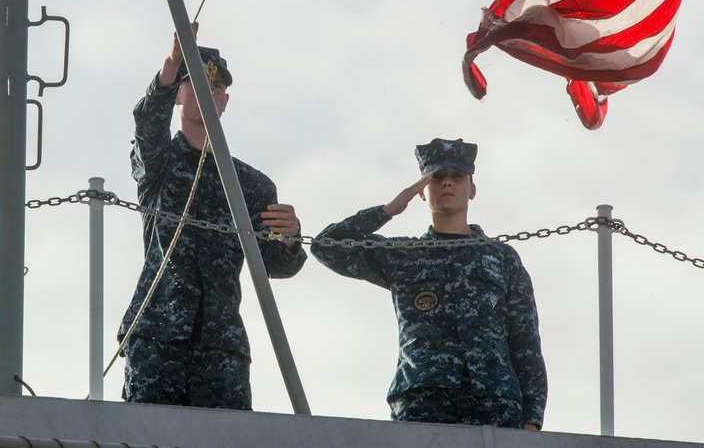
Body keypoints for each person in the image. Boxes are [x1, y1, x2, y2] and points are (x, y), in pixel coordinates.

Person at [118, 25, 307, 410]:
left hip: (221, 346)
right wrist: (171, 63)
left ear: (225, 101)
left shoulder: (252, 184)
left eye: (216, 87)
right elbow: (147, 125)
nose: (208, 92)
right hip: (158, 335)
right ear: (177, 94)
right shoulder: (159, 164)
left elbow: (273, 266)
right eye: (196, 82)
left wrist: (289, 238)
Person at [311, 138, 547, 429]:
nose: (447, 184)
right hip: (422, 400)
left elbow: (525, 341)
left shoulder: (501, 258)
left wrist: (533, 418)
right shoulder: (403, 255)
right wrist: (387, 210)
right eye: (437, 178)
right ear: (423, 191)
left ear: (471, 189)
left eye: (457, 177)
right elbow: (326, 247)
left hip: (495, 401)